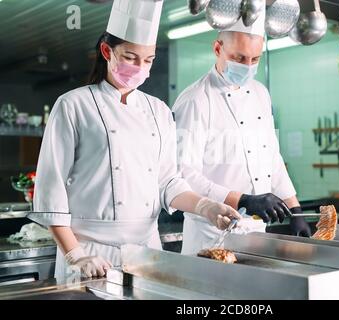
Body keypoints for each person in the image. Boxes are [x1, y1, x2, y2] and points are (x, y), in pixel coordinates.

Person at [28, 0, 240, 280]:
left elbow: (168, 182)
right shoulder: (73, 105)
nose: (140, 67)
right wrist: (75, 255)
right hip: (90, 254)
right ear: (107, 51)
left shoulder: (159, 110)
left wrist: (205, 206)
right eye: (130, 57)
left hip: (147, 252)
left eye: (148, 60)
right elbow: (51, 189)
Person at [173, 8, 311, 255]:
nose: (248, 67)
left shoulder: (260, 93)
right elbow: (184, 174)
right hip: (212, 234)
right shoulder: (195, 100)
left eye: (255, 60)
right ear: (218, 49)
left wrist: (296, 210)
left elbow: (272, 159)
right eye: (239, 58)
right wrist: (243, 199)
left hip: (257, 233)